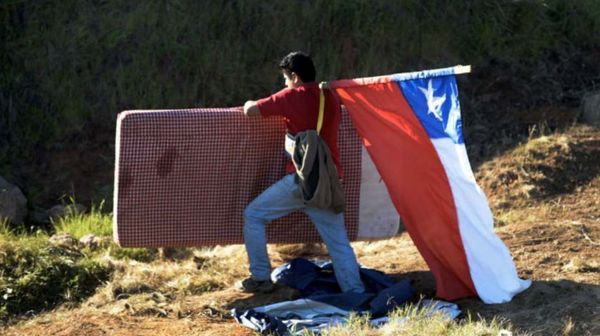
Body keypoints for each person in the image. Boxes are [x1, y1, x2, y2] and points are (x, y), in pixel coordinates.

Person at [239, 51, 365, 294]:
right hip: (330, 180)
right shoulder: (330, 95)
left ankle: (261, 277)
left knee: (253, 215)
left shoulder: (291, 96)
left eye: (285, 78)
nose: (284, 83)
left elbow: (251, 111)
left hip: (301, 182)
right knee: (339, 245)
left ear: (294, 77)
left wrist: (246, 103)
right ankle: (355, 294)